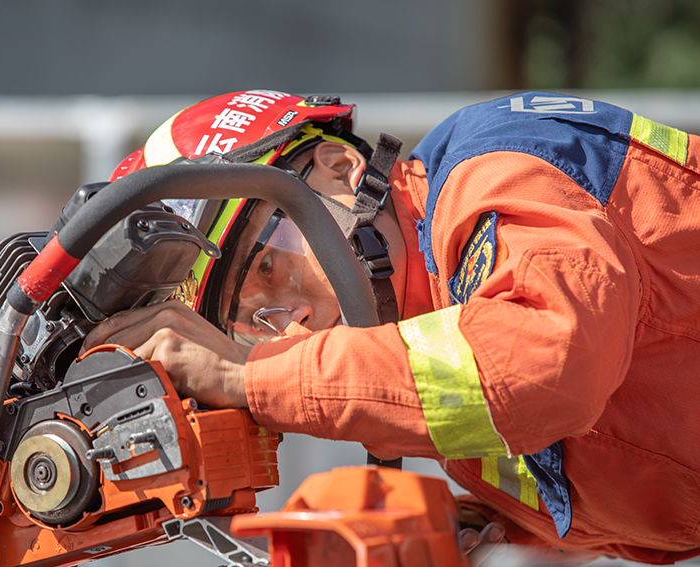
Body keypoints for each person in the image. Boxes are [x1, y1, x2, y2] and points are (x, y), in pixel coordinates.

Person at [80, 89, 700, 564]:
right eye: (248, 326)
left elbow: (546, 365)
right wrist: (473, 526)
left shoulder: (493, 168)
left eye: (270, 263)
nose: (290, 320)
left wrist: (242, 371)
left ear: (341, 169)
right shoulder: (440, 364)